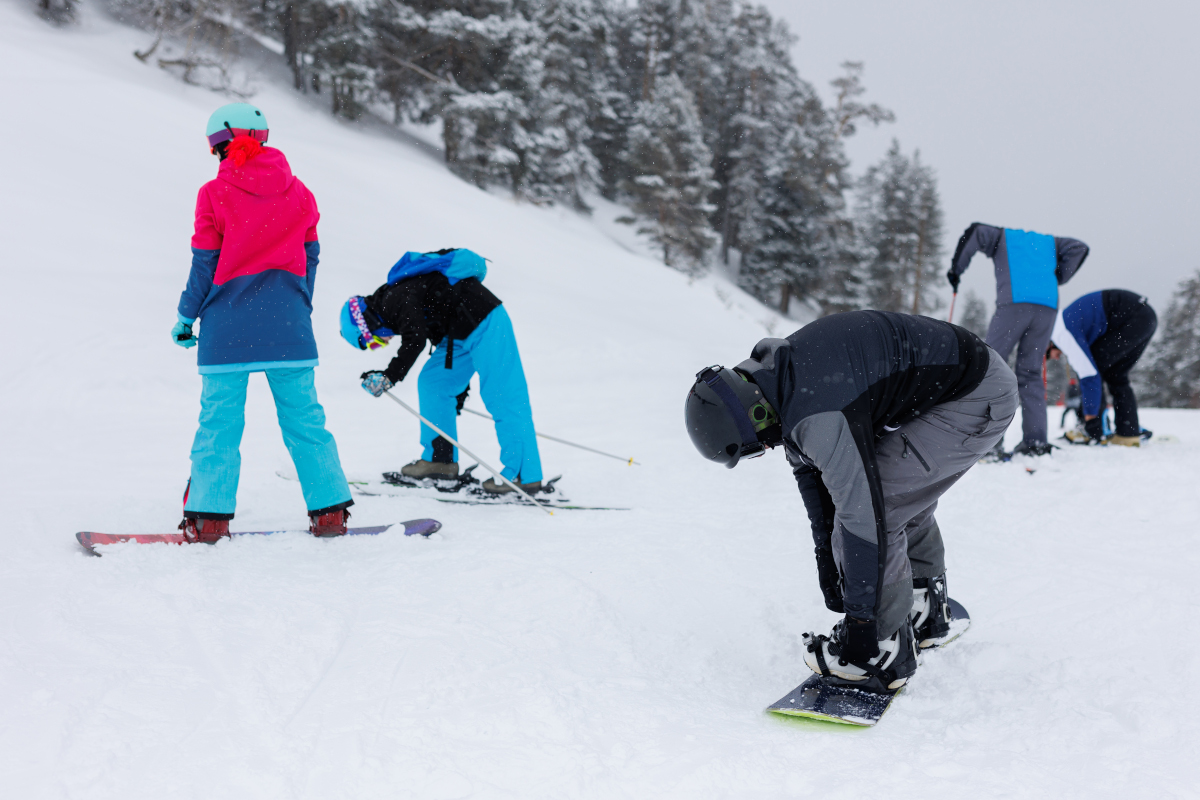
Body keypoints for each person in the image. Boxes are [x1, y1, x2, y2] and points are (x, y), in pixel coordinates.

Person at [684, 311, 1017, 693]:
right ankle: (922, 606)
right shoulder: (776, 379)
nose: (766, 447)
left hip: (977, 396)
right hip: (966, 379)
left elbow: (863, 515)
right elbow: (811, 476)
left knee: (882, 507)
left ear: (756, 417)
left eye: (756, 445)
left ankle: (881, 649)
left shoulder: (817, 412)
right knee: (897, 488)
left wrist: (863, 623)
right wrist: (828, 563)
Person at [173, 103, 353, 542]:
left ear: (220, 145)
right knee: (306, 421)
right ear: (264, 137)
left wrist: (185, 316)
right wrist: (297, 304)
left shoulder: (213, 194)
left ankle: (208, 520)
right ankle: (329, 513)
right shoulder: (300, 192)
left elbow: (205, 265)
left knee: (219, 424)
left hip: (226, 329)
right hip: (288, 327)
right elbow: (310, 258)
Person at [341, 249, 542, 494]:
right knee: (433, 384)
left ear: (366, 323)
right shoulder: (394, 300)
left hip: (486, 320)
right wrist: (457, 391)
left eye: (375, 341)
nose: (384, 341)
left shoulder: (395, 298)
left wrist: (388, 376)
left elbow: (416, 340)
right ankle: (439, 461)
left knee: (503, 396)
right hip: (458, 334)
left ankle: (524, 475)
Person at [948, 223, 1089, 455]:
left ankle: (990, 445)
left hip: (1014, 304)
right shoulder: (1051, 242)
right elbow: (1079, 247)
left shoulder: (999, 236)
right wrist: (1059, 276)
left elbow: (974, 232)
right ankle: (1035, 442)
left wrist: (956, 270)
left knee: (991, 368)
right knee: (1031, 373)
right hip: (1047, 307)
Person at [1048, 289, 1157, 446]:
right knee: (1116, 375)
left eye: (1050, 355)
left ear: (1048, 343)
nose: (1056, 357)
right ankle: (1128, 432)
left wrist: (1091, 418)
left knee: (1092, 369)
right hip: (1146, 318)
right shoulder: (1065, 321)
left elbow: (1089, 374)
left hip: (1132, 318)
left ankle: (1096, 429)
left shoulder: (1062, 332)